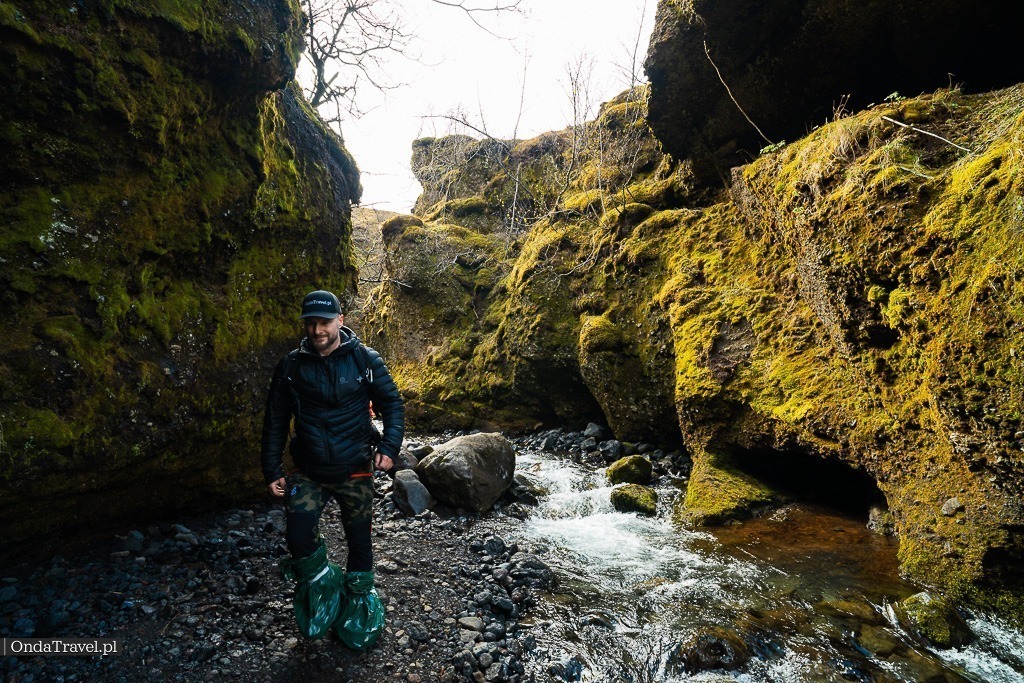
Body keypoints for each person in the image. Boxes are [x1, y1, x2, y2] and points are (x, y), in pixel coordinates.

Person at [260, 289, 404, 640]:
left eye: (324, 322)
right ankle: (325, 585)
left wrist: (389, 446)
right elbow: (275, 420)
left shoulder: (366, 361)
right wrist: (272, 468)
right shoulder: (291, 366)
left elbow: (393, 405)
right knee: (297, 537)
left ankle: (357, 606)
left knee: (359, 541)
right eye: (311, 323)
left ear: (341, 320)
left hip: (355, 469)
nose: (317, 330)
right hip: (307, 471)